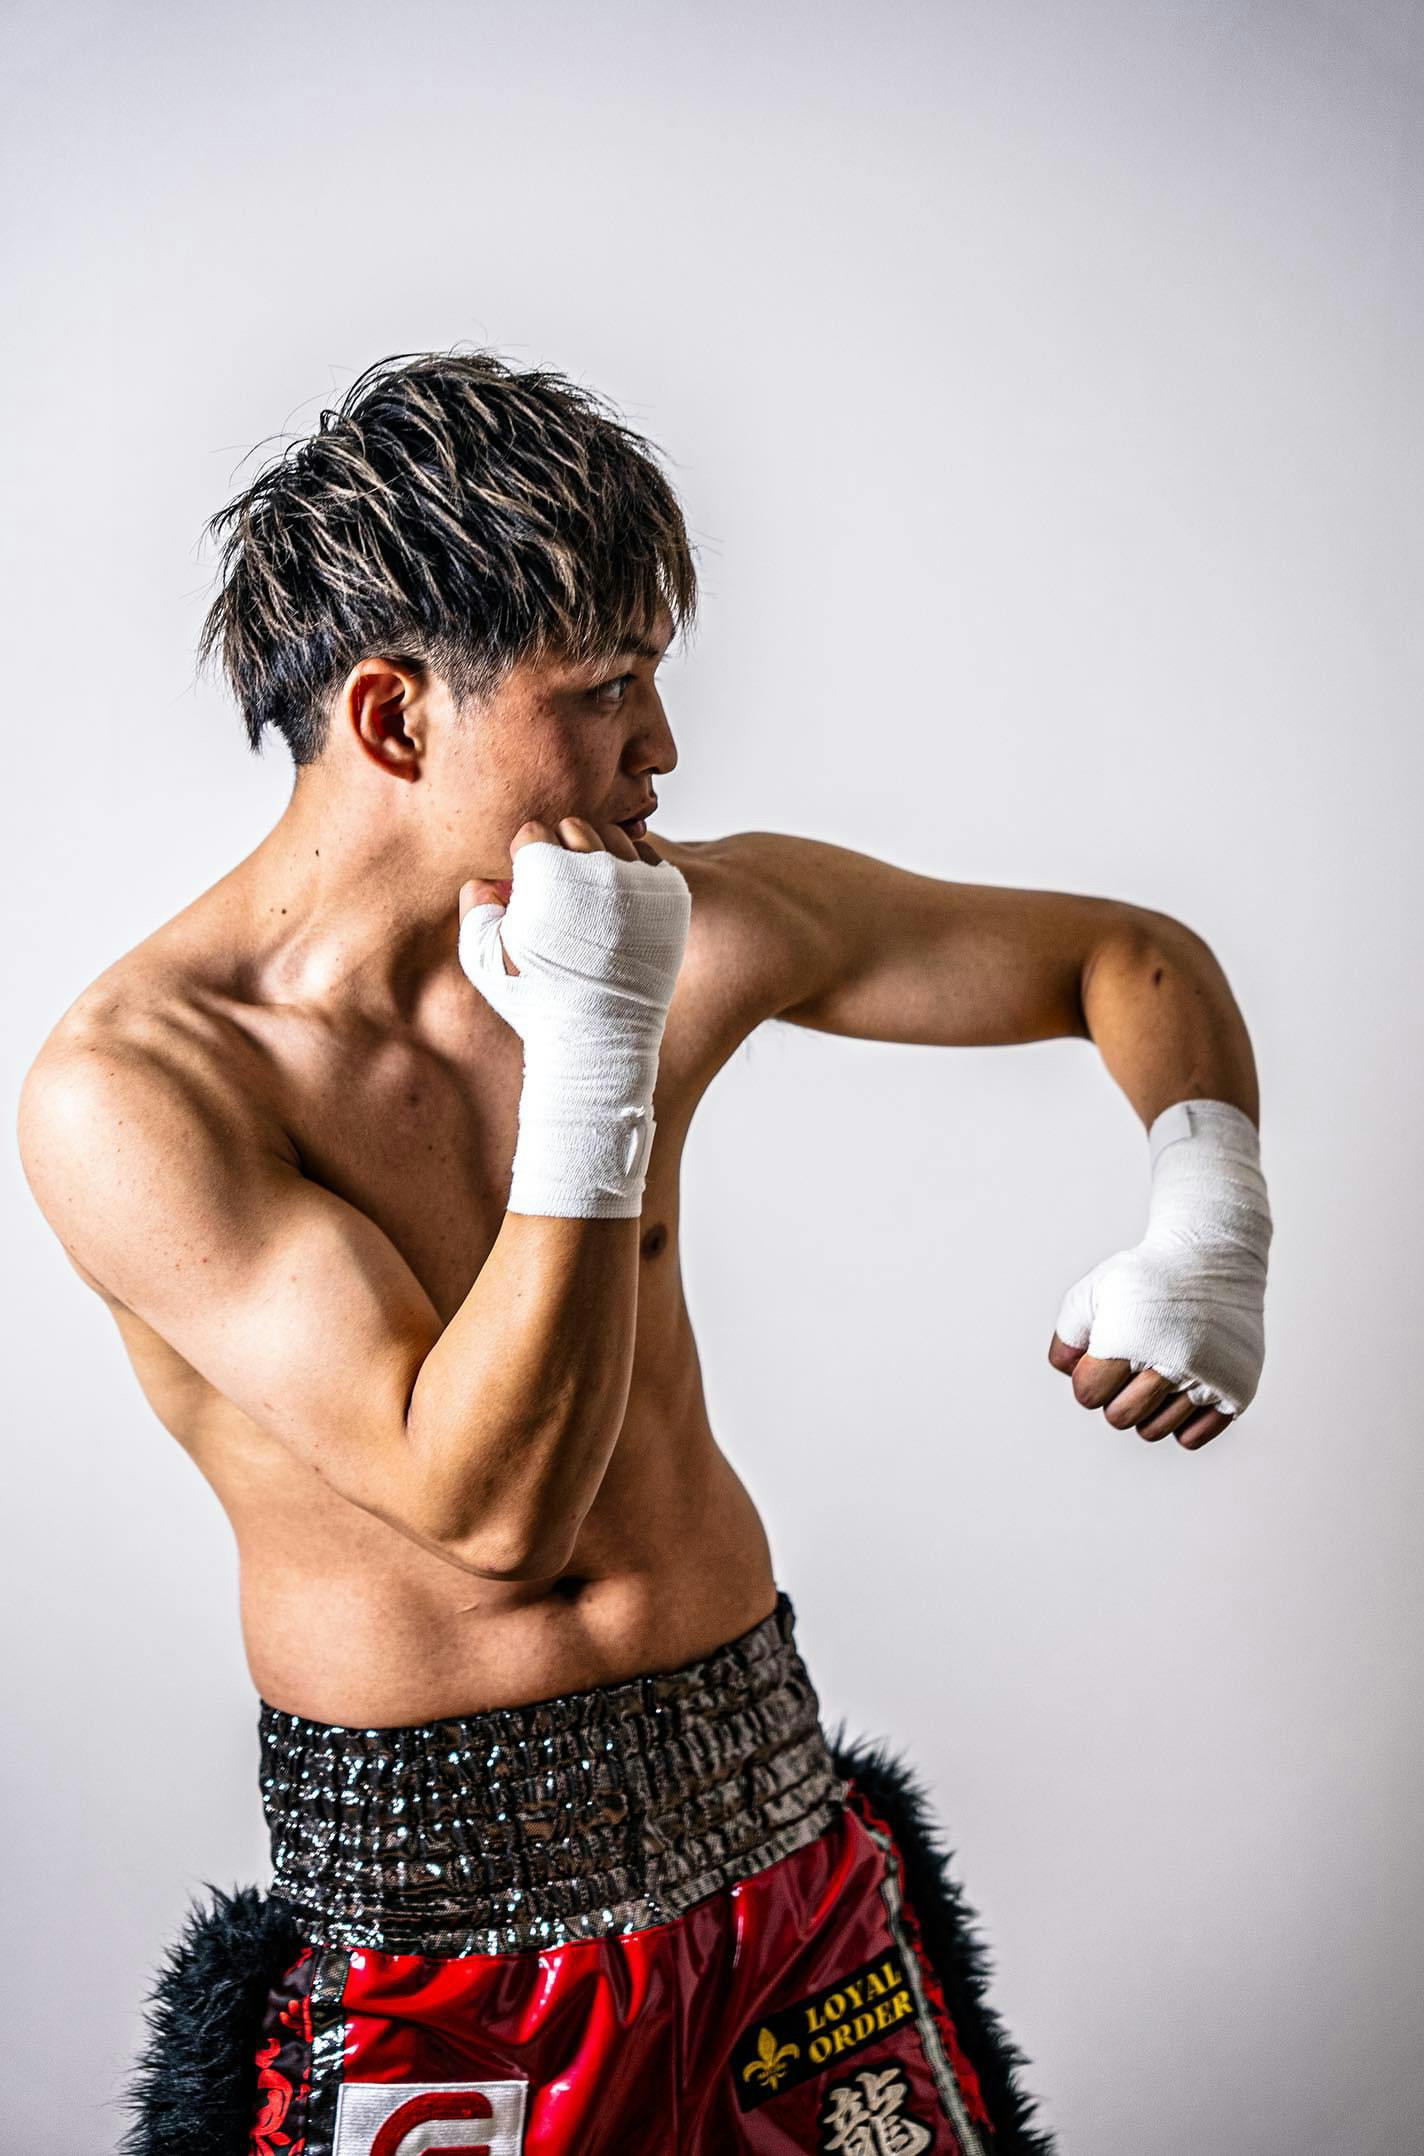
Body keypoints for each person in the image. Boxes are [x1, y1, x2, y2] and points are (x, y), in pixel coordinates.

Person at [16, 349, 1272, 2156]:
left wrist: (1208, 1223)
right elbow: (490, 1508)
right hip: (443, 1950)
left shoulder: (670, 924)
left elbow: (1121, 956)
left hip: (778, 1846)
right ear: (392, 717)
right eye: (605, 690)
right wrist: (597, 1051)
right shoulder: (143, 1092)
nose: (661, 750)